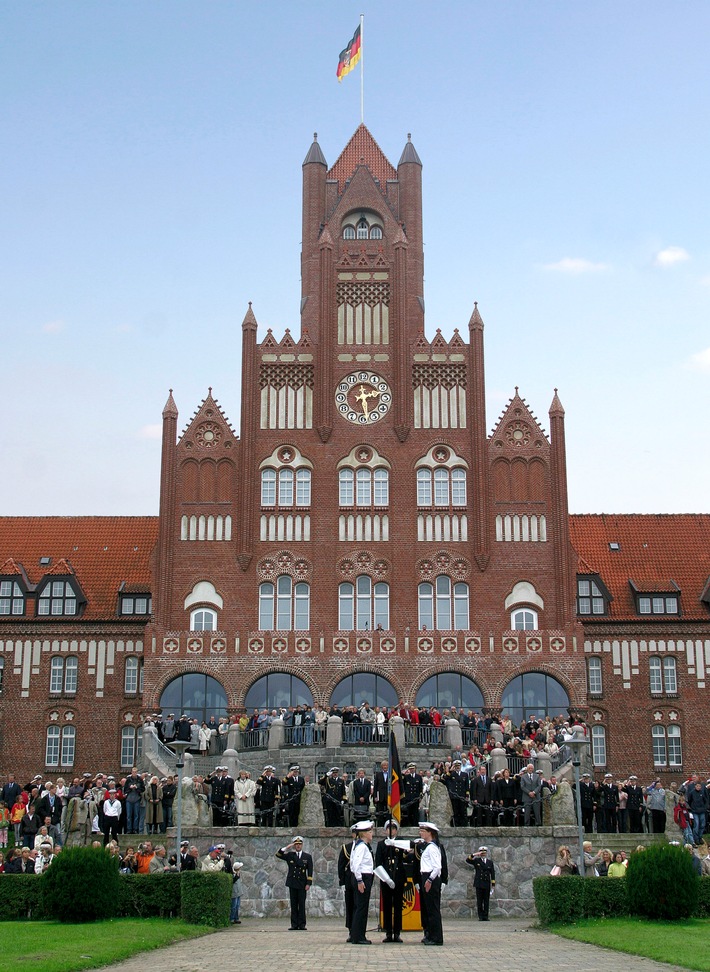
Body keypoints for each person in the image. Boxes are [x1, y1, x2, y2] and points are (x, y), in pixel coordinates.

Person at [375, 819, 407, 943]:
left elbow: (408, 858)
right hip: (386, 878)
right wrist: (386, 878)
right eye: (389, 828)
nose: (391, 831)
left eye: (393, 828)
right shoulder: (381, 844)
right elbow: (378, 863)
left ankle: (397, 932)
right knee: (387, 905)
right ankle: (388, 932)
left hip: (398, 877)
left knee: (398, 906)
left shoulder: (401, 843)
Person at [275, 836, 313, 931]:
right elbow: (278, 854)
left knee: (301, 904)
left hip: (302, 883)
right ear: (294, 845)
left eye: (300, 844)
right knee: (294, 904)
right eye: (296, 844)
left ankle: (302, 924)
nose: (298, 846)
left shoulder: (307, 856)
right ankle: (294, 924)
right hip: (292, 882)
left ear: (302, 845)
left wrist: (308, 883)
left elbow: (310, 871)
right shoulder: (290, 855)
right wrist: (287, 847)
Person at [349, 820, 375, 945]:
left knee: (361, 907)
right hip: (363, 878)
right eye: (369, 831)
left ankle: (357, 934)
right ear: (363, 834)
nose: (372, 834)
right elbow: (355, 865)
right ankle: (358, 936)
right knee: (361, 908)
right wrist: (359, 880)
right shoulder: (361, 847)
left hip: (363, 877)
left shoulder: (360, 845)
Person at [418, 822, 443, 945]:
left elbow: (437, 867)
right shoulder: (428, 846)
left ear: (430, 833)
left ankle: (436, 937)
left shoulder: (432, 848)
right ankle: (431, 935)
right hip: (426, 876)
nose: (421, 833)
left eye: (423, 831)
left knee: (433, 909)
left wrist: (429, 880)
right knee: (429, 909)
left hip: (430, 878)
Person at [466, 845, 495, 920]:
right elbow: (468, 860)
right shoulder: (477, 861)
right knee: (479, 901)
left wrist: (493, 885)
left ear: (486, 853)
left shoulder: (490, 862)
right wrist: (474, 855)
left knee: (486, 901)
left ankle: (486, 916)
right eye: (481, 853)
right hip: (479, 883)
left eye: (484, 853)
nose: (483, 854)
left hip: (486, 883)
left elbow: (492, 873)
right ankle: (481, 916)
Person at [230, 859, 244, 924]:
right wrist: (236, 876)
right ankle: (232, 918)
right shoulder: (233, 874)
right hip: (234, 892)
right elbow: (233, 881)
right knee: (233, 906)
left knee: (237, 906)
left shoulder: (238, 874)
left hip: (238, 892)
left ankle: (236, 918)